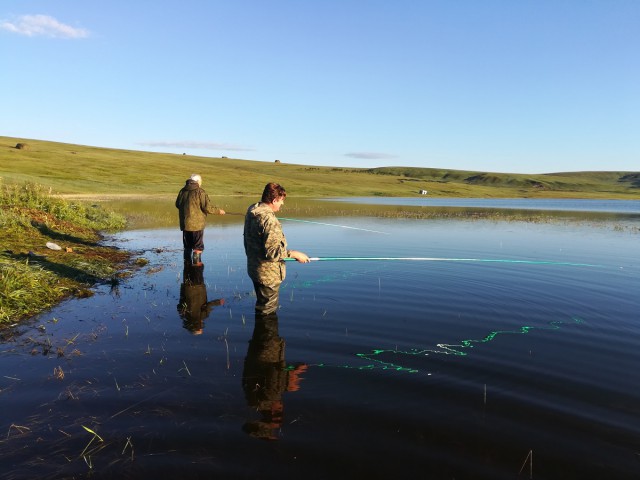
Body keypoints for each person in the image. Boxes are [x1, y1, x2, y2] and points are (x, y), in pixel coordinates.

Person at [243, 182, 310, 314]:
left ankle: (262, 334)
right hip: (268, 275)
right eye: (281, 201)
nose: (282, 204)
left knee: (262, 307)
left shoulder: (253, 210)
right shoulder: (269, 220)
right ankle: (268, 335)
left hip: (255, 269)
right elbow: (272, 252)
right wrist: (294, 254)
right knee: (267, 312)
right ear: (274, 200)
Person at [242, 311, 307, 440]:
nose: (282, 407)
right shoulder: (254, 400)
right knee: (263, 316)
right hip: (257, 349)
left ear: (273, 413)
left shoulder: (270, 397)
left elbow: (274, 371)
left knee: (268, 314)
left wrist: (293, 375)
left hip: (268, 348)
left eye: (279, 414)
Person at [175, 173, 226, 263]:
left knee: (187, 247)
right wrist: (219, 211)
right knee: (198, 247)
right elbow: (207, 208)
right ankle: (197, 271)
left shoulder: (182, 191)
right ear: (198, 181)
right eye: (201, 181)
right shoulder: (200, 191)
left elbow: (177, 204)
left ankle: (187, 269)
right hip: (197, 225)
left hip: (185, 224)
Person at [177, 254, 225, 334]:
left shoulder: (203, 316)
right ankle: (187, 247)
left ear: (198, 325)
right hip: (187, 286)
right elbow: (181, 301)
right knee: (187, 264)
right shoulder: (183, 315)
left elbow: (208, 305)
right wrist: (183, 287)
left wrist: (218, 302)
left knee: (197, 265)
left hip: (198, 286)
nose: (202, 323)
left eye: (201, 326)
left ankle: (197, 249)